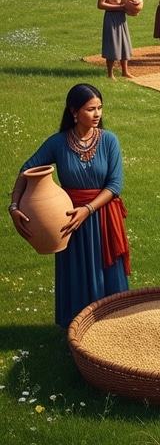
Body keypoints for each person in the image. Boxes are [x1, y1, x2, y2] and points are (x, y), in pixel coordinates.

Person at [9, 84, 131, 328]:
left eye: (99, 108)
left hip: (102, 218)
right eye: (90, 109)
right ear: (74, 111)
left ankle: (113, 330)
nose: (97, 114)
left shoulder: (109, 141)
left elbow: (115, 184)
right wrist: (14, 205)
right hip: (68, 221)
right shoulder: (58, 143)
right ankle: (77, 333)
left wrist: (88, 210)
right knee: (76, 275)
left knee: (107, 275)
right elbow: (26, 169)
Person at [97, 0, 135, 80]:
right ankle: (110, 74)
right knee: (113, 45)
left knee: (124, 43)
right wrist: (120, 7)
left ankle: (125, 71)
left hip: (120, 16)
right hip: (111, 17)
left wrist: (128, 0)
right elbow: (100, 4)